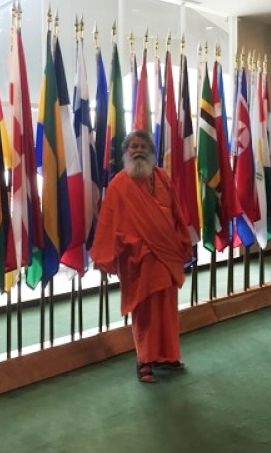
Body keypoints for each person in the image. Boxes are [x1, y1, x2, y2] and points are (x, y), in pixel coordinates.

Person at [89, 130, 192, 383]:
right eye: (133, 146)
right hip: (138, 259)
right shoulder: (118, 185)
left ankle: (167, 355)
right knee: (144, 311)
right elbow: (108, 224)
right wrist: (113, 254)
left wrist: (182, 242)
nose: (138, 150)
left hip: (167, 255)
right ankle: (144, 360)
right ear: (126, 152)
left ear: (151, 152)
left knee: (167, 308)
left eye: (143, 146)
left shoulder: (163, 178)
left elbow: (177, 214)